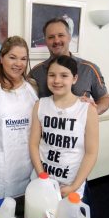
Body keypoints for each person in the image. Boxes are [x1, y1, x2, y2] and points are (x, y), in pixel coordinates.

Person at [29, 55, 99, 199]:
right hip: (42, 180)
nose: (57, 80)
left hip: (71, 185)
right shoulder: (40, 105)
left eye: (64, 75)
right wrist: (42, 175)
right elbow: (34, 144)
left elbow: (91, 153)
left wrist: (74, 186)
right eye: (52, 75)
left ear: (74, 79)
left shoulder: (87, 109)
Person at [0, 36, 38, 201]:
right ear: (1, 58)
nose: (18, 63)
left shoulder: (33, 87)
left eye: (23, 59)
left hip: (27, 162)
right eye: (12, 57)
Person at [29, 17, 109, 115]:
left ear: (69, 37)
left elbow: (105, 98)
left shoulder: (89, 69)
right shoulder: (35, 72)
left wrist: (91, 114)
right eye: (51, 37)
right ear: (45, 40)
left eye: (61, 35)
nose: (56, 40)